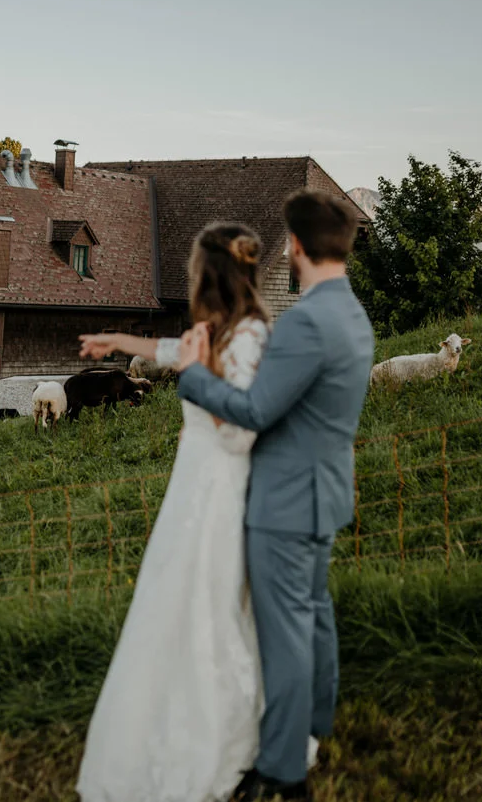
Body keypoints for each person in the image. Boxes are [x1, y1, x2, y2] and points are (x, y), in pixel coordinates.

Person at [74, 221, 318, 802]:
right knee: (171, 603)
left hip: (219, 493)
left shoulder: (252, 337)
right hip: (191, 489)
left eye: (192, 272)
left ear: (209, 277)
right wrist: (119, 342)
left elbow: (236, 427)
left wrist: (193, 374)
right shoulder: (223, 328)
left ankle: (220, 741)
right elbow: (178, 350)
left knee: (208, 607)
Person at [178, 191, 374, 801]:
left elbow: (256, 409)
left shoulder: (308, 320)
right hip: (326, 492)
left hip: (285, 503)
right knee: (314, 618)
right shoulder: (352, 314)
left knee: (285, 634)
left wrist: (192, 378)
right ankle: (315, 724)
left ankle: (286, 770)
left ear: (295, 246)